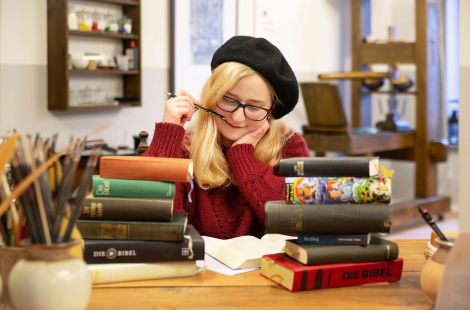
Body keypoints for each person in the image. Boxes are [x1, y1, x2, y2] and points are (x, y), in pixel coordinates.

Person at [144, 36, 310, 239]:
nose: (237, 117)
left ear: (271, 111)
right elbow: (151, 219)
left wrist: (243, 158)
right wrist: (168, 133)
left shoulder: (290, 145)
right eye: (229, 99)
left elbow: (299, 224)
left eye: (254, 107)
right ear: (212, 96)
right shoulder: (185, 145)